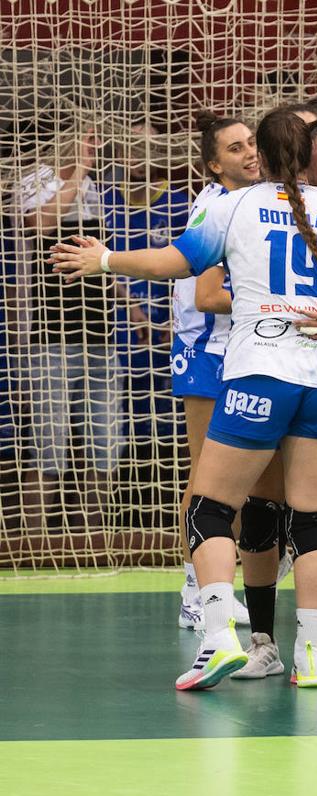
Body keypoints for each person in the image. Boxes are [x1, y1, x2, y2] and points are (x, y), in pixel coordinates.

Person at [49, 107, 317, 690]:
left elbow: (176, 264)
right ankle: (310, 656)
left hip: (262, 371)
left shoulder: (230, 205)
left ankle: (217, 637)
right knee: (313, 518)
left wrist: (103, 259)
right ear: (311, 155)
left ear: (260, 156)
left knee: (208, 509)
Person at [14, 122, 159, 537]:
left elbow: (99, 259)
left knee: (105, 444)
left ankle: (91, 537)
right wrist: (77, 169)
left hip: (100, 334)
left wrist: (131, 307)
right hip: (50, 336)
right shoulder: (35, 179)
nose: (95, 145)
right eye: (87, 138)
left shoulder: (94, 186)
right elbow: (40, 225)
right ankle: (34, 540)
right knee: (49, 444)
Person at [172, 111, 259, 631]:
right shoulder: (215, 209)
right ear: (213, 164)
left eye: (251, 143)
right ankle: (194, 589)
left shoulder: (250, 201)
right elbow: (207, 295)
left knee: (238, 480)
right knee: (207, 475)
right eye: (235, 149)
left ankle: (216, 586)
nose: (249, 152)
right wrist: (271, 299)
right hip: (207, 348)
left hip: (241, 349)